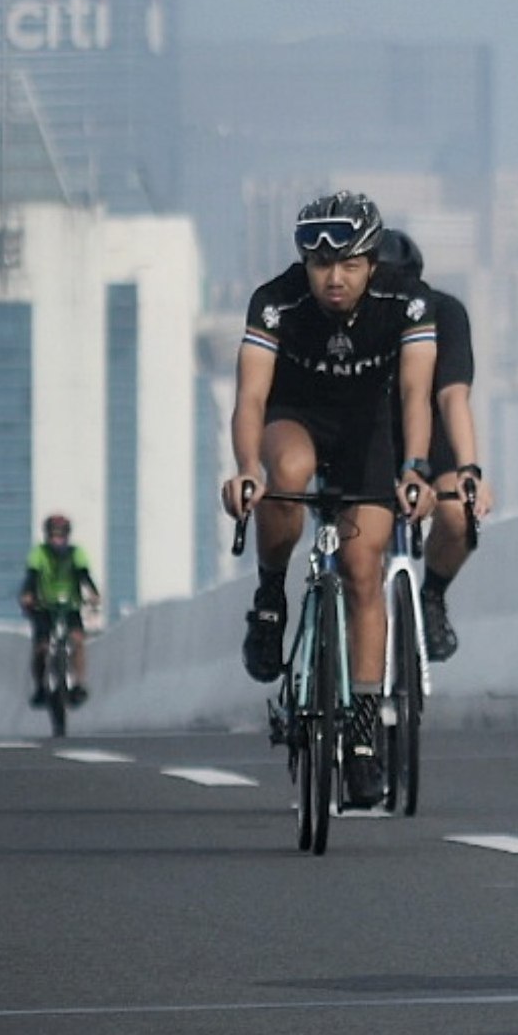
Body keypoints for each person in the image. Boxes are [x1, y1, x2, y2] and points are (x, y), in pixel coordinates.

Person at [221, 191, 438, 811]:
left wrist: (418, 468)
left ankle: (365, 735)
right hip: (297, 419)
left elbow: (418, 393)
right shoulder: (275, 301)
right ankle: (269, 598)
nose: (334, 279)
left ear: (372, 262)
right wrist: (244, 469)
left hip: (369, 432)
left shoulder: (406, 301)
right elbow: (251, 398)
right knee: (285, 469)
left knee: (363, 566)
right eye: (320, 267)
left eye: (348, 265)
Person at [375, 229, 491, 662]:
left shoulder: (446, 314)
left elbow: (452, 397)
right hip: (369, 431)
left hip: (431, 429)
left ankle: (432, 598)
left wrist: (469, 472)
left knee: (459, 515)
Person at [21, 513, 102, 706]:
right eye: (53, 535)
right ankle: (40, 687)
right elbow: (31, 576)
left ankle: (78, 684)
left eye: (61, 534)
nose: (57, 539)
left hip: (70, 606)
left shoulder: (76, 553)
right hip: (44, 606)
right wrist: (28, 595)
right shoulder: (39, 553)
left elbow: (84, 575)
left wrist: (93, 593)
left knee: (78, 641)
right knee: (41, 647)